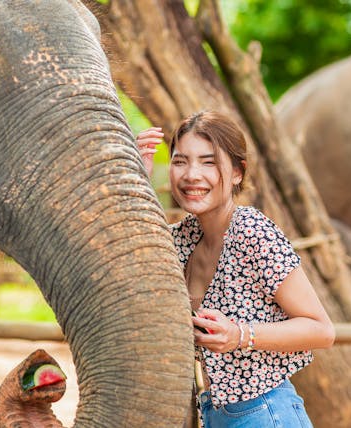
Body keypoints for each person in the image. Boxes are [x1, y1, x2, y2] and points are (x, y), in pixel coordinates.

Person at [136, 111, 335, 427]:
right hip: (214, 413)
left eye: (208, 162)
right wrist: (137, 179)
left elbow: (322, 330)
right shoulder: (183, 237)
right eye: (180, 161)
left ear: (238, 173)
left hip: (266, 412)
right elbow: (131, 257)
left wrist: (240, 335)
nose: (191, 174)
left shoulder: (252, 230)